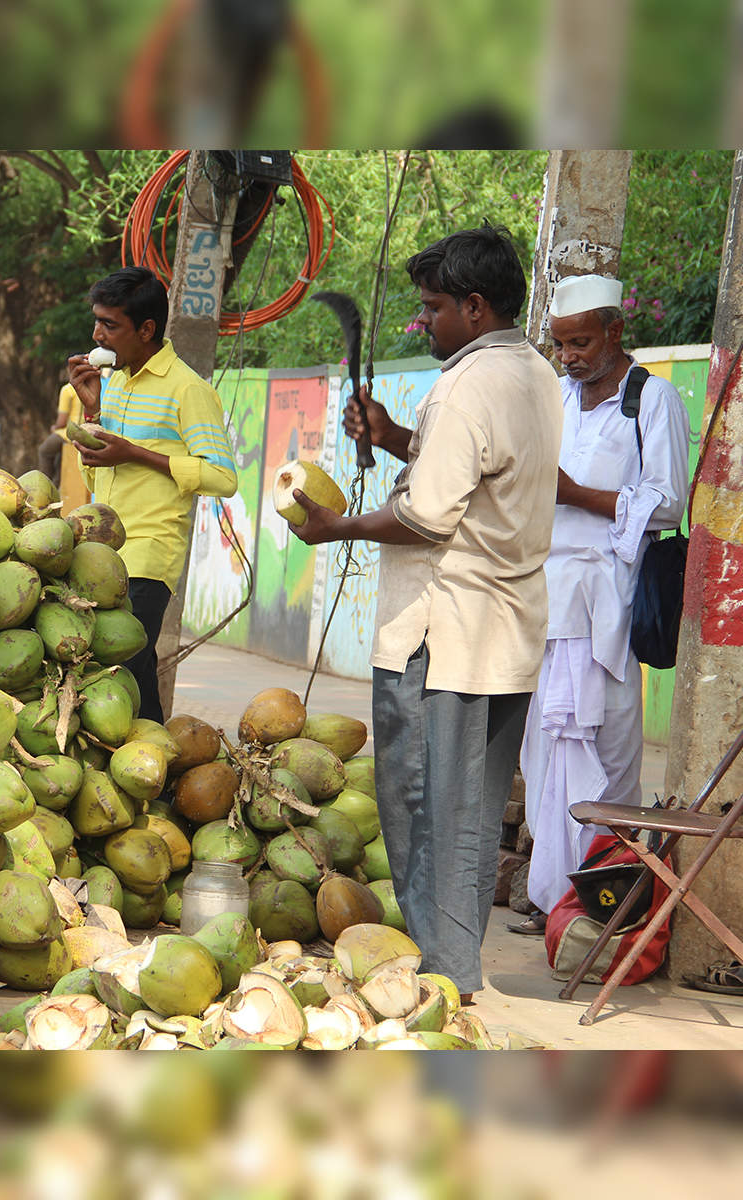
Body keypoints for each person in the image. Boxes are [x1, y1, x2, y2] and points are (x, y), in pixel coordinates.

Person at [288, 224, 563, 1001]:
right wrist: (400, 437)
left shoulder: (467, 383)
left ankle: (444, 977)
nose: (426, 322)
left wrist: (332, 526)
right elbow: (484, 477)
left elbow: (428, 518)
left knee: (426, 813)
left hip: (443, 636)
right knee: (468, 816)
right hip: (506, 632)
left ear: (475, 307)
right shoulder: (533, 372)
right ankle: (457, 975)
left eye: (435, 308)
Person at [512, 275, 691, 934]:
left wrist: (578, 493)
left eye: (582, 341)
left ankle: (599, 901)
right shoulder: (557, 397)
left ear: (614, 331)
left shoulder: (653, 399)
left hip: (609, 608)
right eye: (562, 344)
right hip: (546, 600)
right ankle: (550, 897)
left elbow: (668, 502)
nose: (571, 356)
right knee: (544, 752)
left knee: (608, 756)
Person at [66, 265, 237, 723]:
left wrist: (139, 454)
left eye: (110, 325)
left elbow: (223, 476)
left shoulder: (188, 390)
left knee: (127, 665)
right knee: (111, 672)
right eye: (97, 321)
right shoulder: (113, 381)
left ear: (146, 329)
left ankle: (157, 770)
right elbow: (102, 465)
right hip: (99, 549)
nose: (97, 334)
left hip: (149, 553)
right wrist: (92, 409)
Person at [38, 382, 84, 486]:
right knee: (59, 458)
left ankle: (44, 484)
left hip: (69, 433)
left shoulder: (68, 389)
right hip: (84, 433)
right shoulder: (91, 387)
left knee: (44, 451)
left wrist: (55, 427)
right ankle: (57, 482)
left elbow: (62, 422)